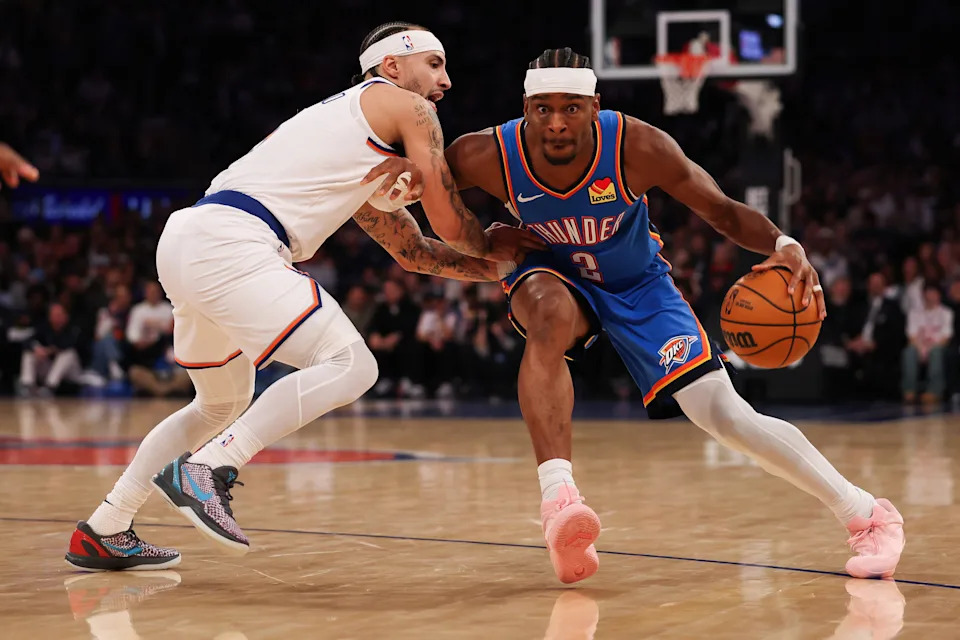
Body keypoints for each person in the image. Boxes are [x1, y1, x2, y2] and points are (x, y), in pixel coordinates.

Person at [65, 21, 540, 571]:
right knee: (352, 365)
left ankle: (106, 526)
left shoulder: (344, 135)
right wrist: (502, 246)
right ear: (391, 67)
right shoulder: (405, 108)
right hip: (235, 243)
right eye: (433, 64)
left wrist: (499, 266)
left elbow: (414, 253)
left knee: (217, 403)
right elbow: (449, 220)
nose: (447, 80)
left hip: (190, 238)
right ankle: (211, 467)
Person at [444, 48, 905, 583]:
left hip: (639, 284)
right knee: (547, 316)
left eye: (570, 107)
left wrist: (784, 242)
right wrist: (480, 240)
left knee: (726, 416)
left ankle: (867, 515)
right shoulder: (485, 154)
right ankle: (559, 503)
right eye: (542, 108)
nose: (554, 122)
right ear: (524, 107)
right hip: (551, 270)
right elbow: (423, 197)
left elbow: (721, 209)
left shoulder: (638, 146)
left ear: (595, 106)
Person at [901, 281, 953, 404]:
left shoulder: (946, 313)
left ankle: (935, 391)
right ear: (923, 294)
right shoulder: (914, 313)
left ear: (939, 295)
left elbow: (946, 337)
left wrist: (929, 349)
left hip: (938, 347)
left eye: (933, 292)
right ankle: (909, 390)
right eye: (928, 292)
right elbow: (911, 336)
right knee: (909, 351)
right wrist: (921, 349)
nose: (930, 295)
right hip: (919, 346)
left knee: (936, 352)